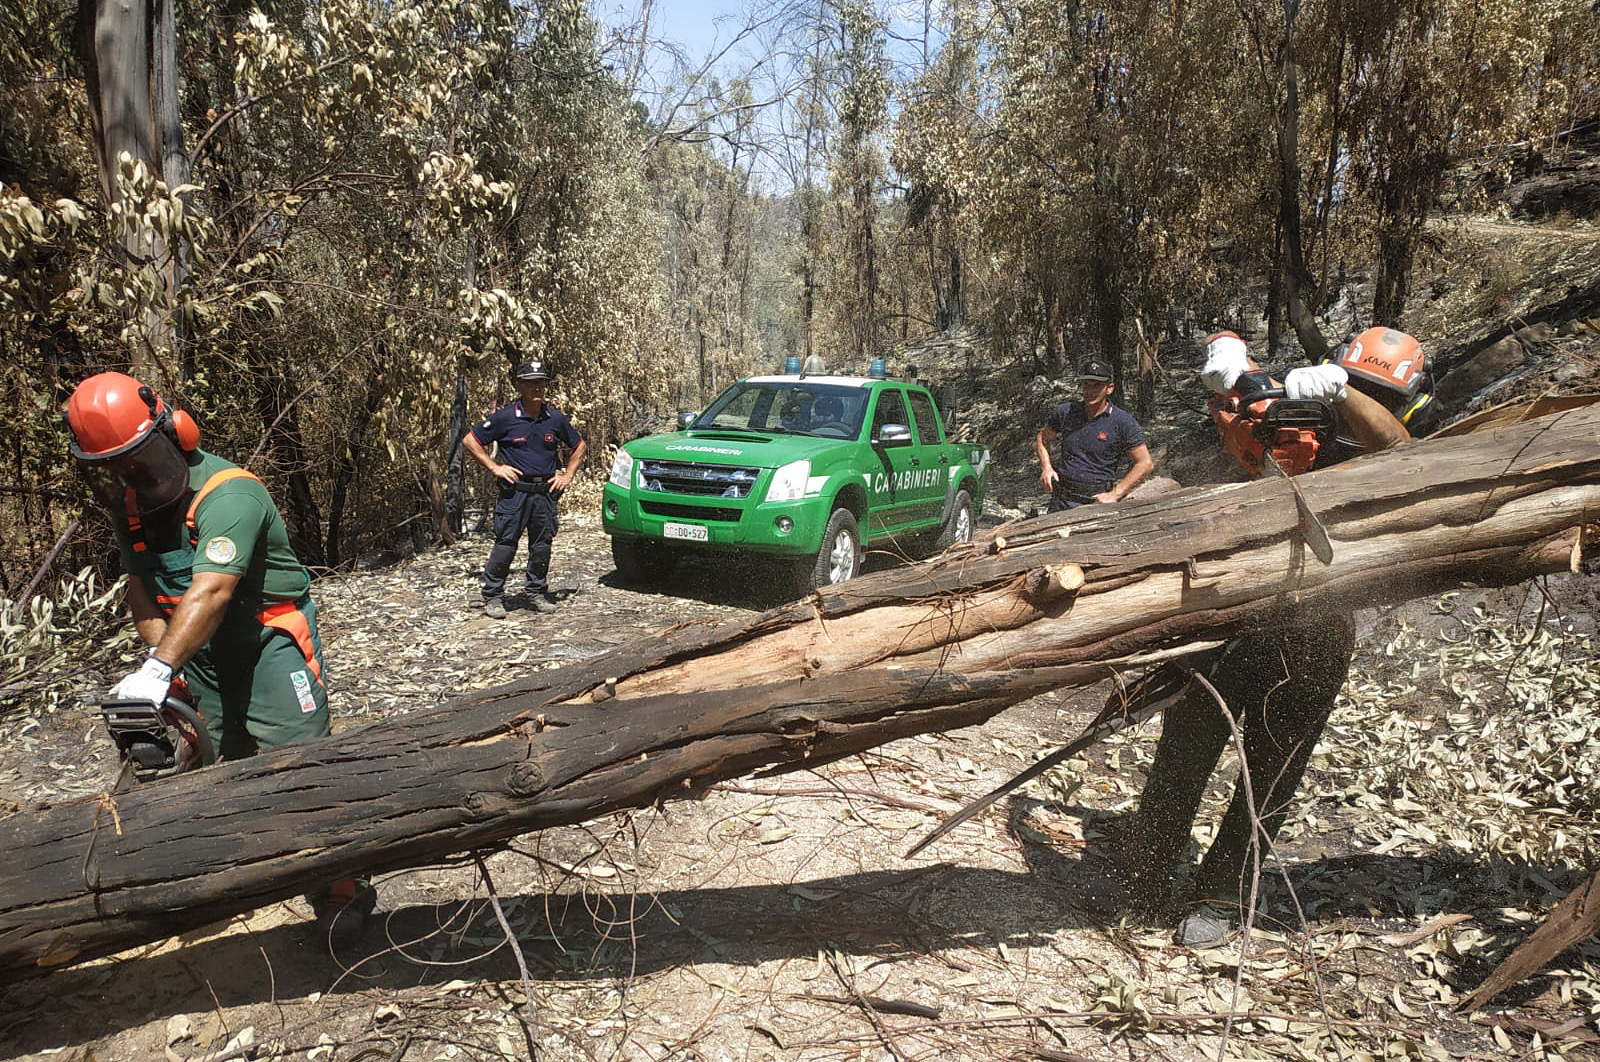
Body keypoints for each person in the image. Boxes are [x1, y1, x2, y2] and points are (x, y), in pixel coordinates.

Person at [1114, 330, 1421, 947]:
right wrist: (1227, 368)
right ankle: (1144, 877)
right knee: (1184, 749)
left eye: (1371, 394)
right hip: (1235, 612)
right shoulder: (1289, 414)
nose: (1358, 401)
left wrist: (1341, 395)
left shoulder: (1389, 451)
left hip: (1320, 628)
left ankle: (1223, 895)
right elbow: (1237, 390)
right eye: (1351, 384)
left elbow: (1400, 447)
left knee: (1273, 768)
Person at [65, 371, 374, 944]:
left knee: (302, 762)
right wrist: (164, 668)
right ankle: (232, 873)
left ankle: (340, 890)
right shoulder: (129, 504)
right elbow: (143, 587)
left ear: (173, 431)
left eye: (139, 462)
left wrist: (161, 671)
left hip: (266, 638)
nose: (132, 477)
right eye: (119, 468)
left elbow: (212, 591)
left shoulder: (229, 493)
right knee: (217, 759)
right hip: (194, 647)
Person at [464, 358, 587, 619]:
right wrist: (495, 467)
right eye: (531, 383)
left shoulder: (554, 418)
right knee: (506, 544)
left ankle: (536, 592)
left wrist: (568, 474)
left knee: (542, 545)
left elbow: (579, 446)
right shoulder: (505, 417)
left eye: (540, 382)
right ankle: (494, 596)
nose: (536, 388)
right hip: (514, 493)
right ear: (519, 385)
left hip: (545, 494)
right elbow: (470, 441)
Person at [1035, 358, 1154, 510]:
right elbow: (1042, 438)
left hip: (1097, 500)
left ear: (1109, 388)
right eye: (1086, 385)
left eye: (1097, 386)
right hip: (1062, 498)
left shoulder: (1121, 421)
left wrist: (1115, 494)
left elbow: (1145, 463)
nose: (1090, 391)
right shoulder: (1066, 412)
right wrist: (1046, 467)